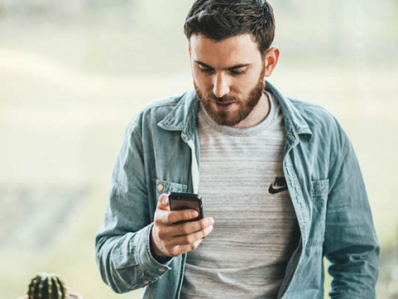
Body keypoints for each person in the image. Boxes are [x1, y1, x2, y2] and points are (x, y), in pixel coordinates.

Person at [95, 0, 380, 298]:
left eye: (237, 71)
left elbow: (356, 258)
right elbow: (110, 264)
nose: (218, 88)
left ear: (269, 62)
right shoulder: (150, 130)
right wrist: (155, 245)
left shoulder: (322, 135)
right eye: (204, 69)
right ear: (190, 55)